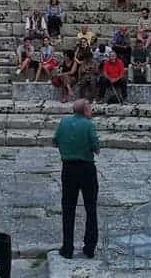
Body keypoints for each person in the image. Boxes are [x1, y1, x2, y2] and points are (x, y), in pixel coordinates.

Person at [52, 99, 99, 260]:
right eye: (90, 108)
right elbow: (96, 148)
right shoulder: (89, 125)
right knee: (90, 208)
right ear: (85, 111)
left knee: (68, 208)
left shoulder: (64, 122)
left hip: (68, 168)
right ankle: (90, 248)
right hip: (86, 168)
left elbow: (55, 141)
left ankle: (67, 248)